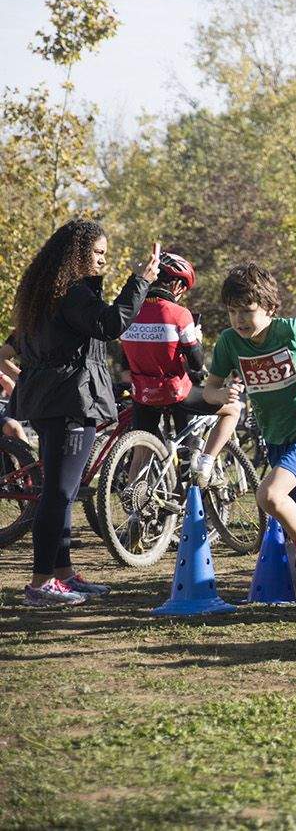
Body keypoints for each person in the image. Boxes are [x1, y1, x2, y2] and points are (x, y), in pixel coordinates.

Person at [10, 221, 158, 606]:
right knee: (58, 493)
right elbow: (110, 324)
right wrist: (140, 282)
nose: (102, 261)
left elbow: (19, 343)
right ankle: (41, 583)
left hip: (49, 401)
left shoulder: (45, 295)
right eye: (98, 253)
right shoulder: (74, 293)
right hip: (70, 402)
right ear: (77, 254)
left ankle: (63, 575)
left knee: (63, 491)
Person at [203, 262, 296, 607]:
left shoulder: (289, 330)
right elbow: (208, 390)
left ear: (269, 308)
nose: (239, 319)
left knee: (269, 495)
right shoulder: (229, 343)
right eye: (232, 311)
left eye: (247, 310)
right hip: (277, 440)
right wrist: (220, 395)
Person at [120, 251, 242, 488]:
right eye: (183, 287)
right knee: (233, 409)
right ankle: (204, 463)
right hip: (176, 392)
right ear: (175, 284)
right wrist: (196, 338)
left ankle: (132, 500)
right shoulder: (180, 314)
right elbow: (196, 362)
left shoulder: (130, 312)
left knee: (141, 452)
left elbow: (126, 361)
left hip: (143, 394)